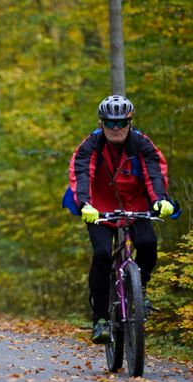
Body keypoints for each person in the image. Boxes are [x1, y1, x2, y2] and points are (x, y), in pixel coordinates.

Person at [64, 95, 177, 344]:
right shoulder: (91, 145)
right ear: (101, 123)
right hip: (99, 209)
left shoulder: (141, 143)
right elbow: (82, 172)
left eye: (121, 123)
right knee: (103, 255)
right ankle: (101, 318)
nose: (116, 129)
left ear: (130, 122)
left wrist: (160, 199)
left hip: (136, 206)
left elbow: (154, 172)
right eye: (110, 123)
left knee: (147, 244)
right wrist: (85, 204)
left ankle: (140, 289)